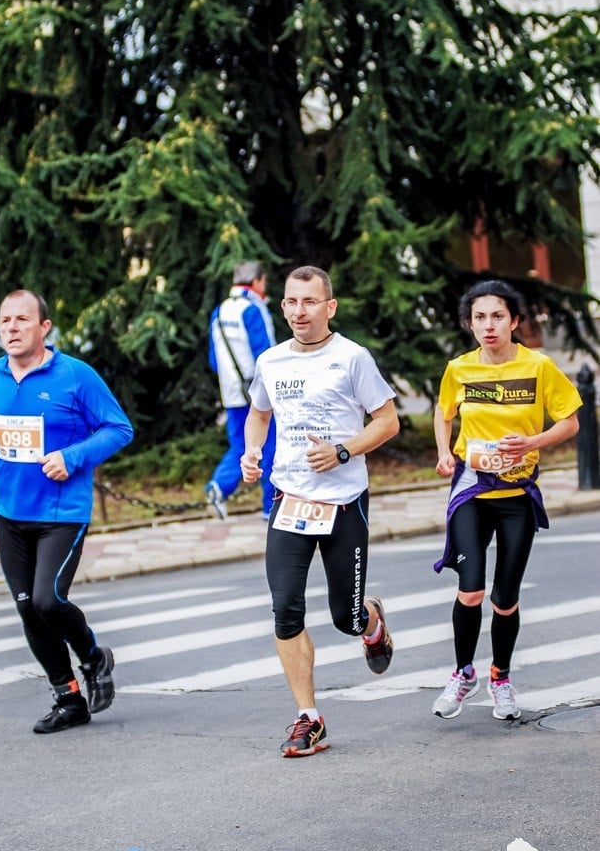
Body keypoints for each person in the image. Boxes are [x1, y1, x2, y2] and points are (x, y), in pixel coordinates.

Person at [0, 289, 133, 734]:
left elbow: (119, 428)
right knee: (26, 608)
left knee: (47, 600)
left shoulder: (75, 375)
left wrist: (72, 457)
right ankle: (68, 697)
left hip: (61, 511)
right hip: (8, 512)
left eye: (21, 320)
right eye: (5, 321)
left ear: (44, 328)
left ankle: (94, 657)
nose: (11, 328)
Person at [241, 265, 400, 757]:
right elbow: (259, 413)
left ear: (329, 307)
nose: (298, 311)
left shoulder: (352, 358)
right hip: (289, 500)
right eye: (291, 302)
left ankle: (370, 620)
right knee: (285, 608)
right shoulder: (270, 361)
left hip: (343, 503)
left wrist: (343, 451)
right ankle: (309, 718)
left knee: (345, 619)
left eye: (309, 302)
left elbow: (388, 422)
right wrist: (252, 453)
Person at [432, 279, 581, 722]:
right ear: (470, 324)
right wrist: (444, 453)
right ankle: (463, 674)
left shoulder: (538, 367)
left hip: (517, 495)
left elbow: (570, 422)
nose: (489, 325)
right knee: (471, 588)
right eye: (480, 317)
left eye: (498, 316)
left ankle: (500, 678)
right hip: (472, 489)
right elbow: (444, 416)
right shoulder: (459, 369)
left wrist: (532, 441)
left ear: (514, 321)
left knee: (505, 598)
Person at [206, 261, 277, 519]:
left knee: (240, 444)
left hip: (232, 393)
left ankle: (219, 486)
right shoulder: (253, 310)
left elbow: (213, 359)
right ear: (257, 281)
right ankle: (271, 505)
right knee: (269, 444)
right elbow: (265, 353)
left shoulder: (219, 311)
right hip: (258, 392)